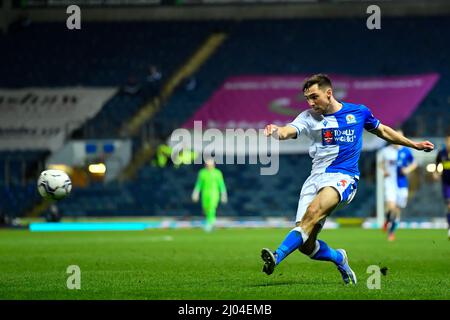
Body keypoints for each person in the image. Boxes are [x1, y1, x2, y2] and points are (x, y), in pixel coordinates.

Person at [261, 74, 434, 285]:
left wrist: (413, 145)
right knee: (306, 244)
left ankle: (277, 256)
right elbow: (289, 130)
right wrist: (277, 131)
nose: (310, 103)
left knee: (313, 213)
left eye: (314, 97)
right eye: (307, 98)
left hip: (343, 177)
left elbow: (383, 130)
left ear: (329, 93)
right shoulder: (307, 117)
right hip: (315, 178)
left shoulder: (358, 112)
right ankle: (339, 258)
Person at [192, 159, 228, 232]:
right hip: (205, 193)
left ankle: (210, 224)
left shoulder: (217, 173)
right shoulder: (202, 173)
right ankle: (210, 222)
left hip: (214, 193)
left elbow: (221, 184)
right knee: (206, 209)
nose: (209, 167)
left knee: (212, 208)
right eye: (207, 165)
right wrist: (196, 192)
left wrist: (223, 194)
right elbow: (199, 184)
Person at [434, 133, 450, 239]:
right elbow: (436, 164)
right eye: (448, 141)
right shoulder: (442, 153)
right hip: (446, 183)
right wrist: (435, 172)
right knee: (449, 205)